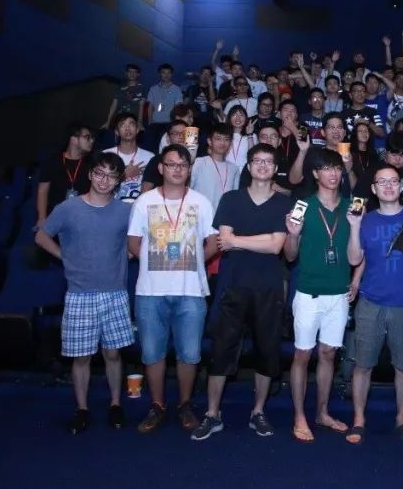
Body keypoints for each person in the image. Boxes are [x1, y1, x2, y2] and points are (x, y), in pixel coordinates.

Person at [191, 144, 293, 441]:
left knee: (266, 351)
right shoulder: (231, 198)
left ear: (275, 169)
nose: (262, 165)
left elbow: (276, 246)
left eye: (268, 161)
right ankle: (212, 413)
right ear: (248, 166)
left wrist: (238, 240)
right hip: (232, 284)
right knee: (221, 350)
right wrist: (251, 240)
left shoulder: (284, 203)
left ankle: (258, 411)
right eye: (257, 160)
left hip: (268, 287)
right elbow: (223, 240)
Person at [35, 151, 133, 434]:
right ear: (90, 174)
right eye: (99, 173)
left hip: (115, 292)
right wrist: (64, 256)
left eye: (111, 176)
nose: (104, 180)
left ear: (118, 181)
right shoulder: (68, 208)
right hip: (79, 294)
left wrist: (127, 255)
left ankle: (115, 404)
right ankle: (82, 409)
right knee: (81, 357)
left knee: (113, 354)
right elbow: (41, 236)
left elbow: (136, 243)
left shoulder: (126, 211)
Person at [126, 145, 217, 433]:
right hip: (150, 291)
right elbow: (133, 243)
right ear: (161, 168)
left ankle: (185, 404)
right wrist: (158, 261)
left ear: (189, 170)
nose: (177, 169)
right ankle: (157, 405)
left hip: (191, 290)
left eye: (182, 165)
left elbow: (213, 242)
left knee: (189, 353)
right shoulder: (145, 201)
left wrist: (194, 261)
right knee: (152, 353)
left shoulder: (201, 202)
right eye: (171, 164)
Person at [344, 165, 403, 444]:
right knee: (362, 365)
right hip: (370, 301)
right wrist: (354, 227)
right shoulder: (365, 220)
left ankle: (401, 419)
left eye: (393, 181)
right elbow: (354, 259)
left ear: (401, 186)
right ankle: (358, 420)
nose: (388, 186)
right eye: (382, 182)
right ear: (373, 189)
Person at [283, 148, 355, 442]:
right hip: (308, 292)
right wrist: (292, 234)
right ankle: (299, 416)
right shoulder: (302, 206)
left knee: (328, 354)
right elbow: (289, 256)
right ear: (315, 174)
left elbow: (359, 253)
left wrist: (356, 282)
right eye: (326, 168)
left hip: (339, 294)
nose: (332, 173)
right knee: (302, 354)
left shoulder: (351, 207)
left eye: (336, 168)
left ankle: (322, 412)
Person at [36, 123, 94, 229]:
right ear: (73, 139)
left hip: (82, 219)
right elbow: (42, 190)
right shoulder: (53, 161)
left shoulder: (92, 163)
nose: (91, 140)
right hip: (55, 218)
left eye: (92, 137)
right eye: (87, 137)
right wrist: (42, 218)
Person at [104, 112, 155, 203]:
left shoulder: (150, 157)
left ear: (137, 129)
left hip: (140, 205)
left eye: (131, 124)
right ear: (117, 132)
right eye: (122, 125)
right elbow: (100, 183)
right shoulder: (106, 155)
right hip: (111, 204)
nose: (127, 128)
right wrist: (125, 175)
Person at [189, 123, 240, 212]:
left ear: (231, 143)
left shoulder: (234, 169)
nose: (222, 143)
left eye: (226, 139)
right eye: (218, 139)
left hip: (224, 217)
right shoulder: (198, 163)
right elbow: (187, 189)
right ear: (209, 141)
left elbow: (234, 198)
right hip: (200, 215)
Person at [103, 63, 145, 130]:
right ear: (126, 73)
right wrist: (108, 122)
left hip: (134, 120)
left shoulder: (142, 88)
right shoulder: (120, 88)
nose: (132, 74)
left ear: (138, 74)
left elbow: (141, 106)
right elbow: (114, 105)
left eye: (134, 72)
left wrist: (140, 122)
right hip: (120, 119)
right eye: (130, 71)